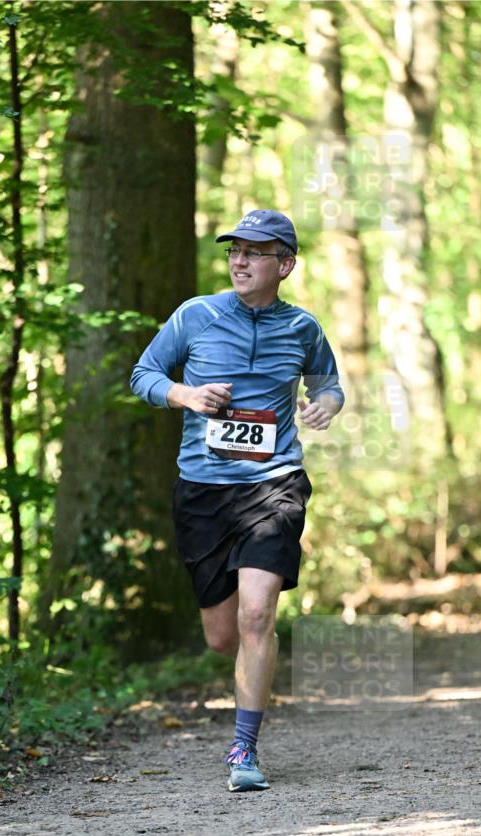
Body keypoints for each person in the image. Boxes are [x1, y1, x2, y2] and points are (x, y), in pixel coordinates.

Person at [130, 209, 344, 792]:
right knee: (223, 636)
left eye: (255, 252)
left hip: (274, 484)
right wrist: (184, 394)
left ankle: (243, 750)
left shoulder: (302, 328)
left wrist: (327, 403)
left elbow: (326, 380)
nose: (241, 260)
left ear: (286, 264)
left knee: (257, 615)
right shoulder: (195, 315)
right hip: (202, 491)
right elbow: (143, 374)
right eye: (235, 251)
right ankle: (248, 682)